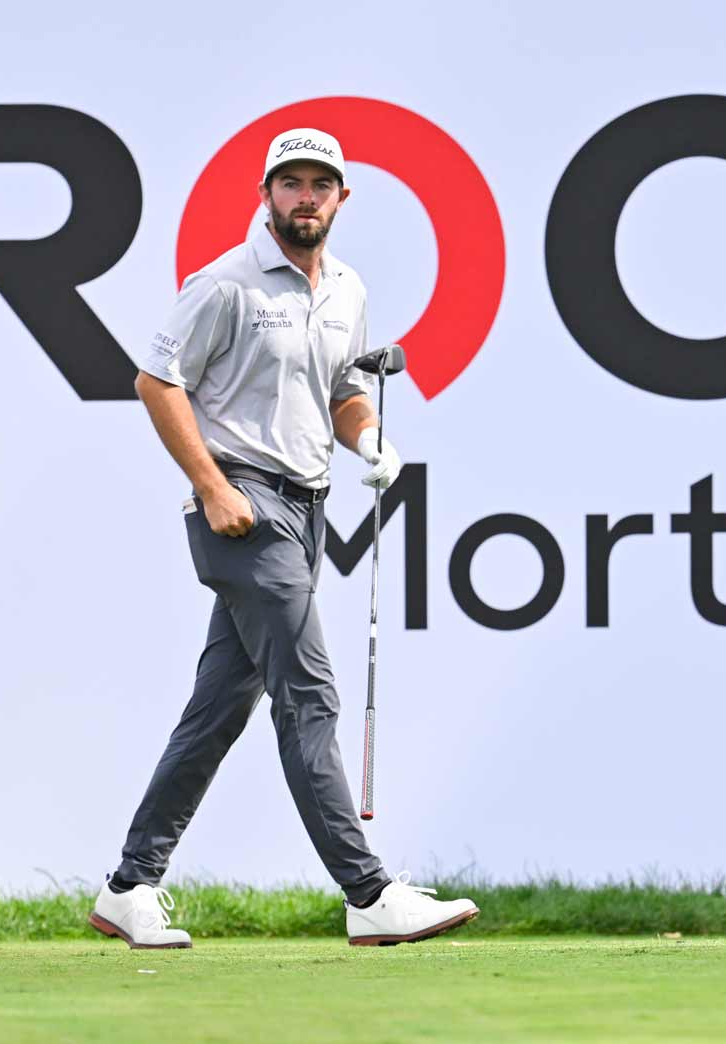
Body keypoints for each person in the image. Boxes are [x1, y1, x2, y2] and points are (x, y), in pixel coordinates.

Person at [89, 127, 477, 949]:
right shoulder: (224, 284)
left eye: (320, 183)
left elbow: (342, 390)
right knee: (310, 695)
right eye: (290, 183)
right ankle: (367, 892)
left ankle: (130, 885)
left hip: (306, 509)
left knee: (217, 712)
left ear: (342, 197)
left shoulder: (348, 291)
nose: (306, 197)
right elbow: (157, 382)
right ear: (266, 195)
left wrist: (369, 439)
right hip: (243, 506)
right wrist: (212, 485)